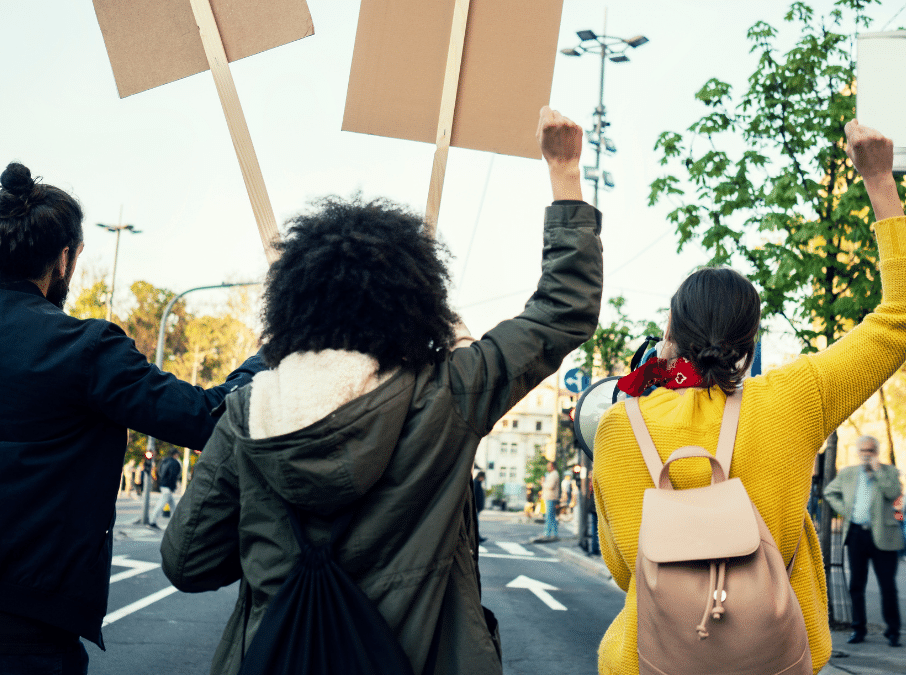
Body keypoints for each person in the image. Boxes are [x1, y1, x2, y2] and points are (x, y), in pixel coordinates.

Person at [160, 107, 602, 675]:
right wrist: (563, 171)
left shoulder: (248, 414)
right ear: (414, 304)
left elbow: (187, 562)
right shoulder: (447, 396)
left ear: (292, 308)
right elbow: (560, 312)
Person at [0, 139, 267, 674]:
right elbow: (209, 419)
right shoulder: (87, 352)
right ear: (64, 258)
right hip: (24, 644)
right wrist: (272, 348)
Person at [591, 119, 906, 673]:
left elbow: (624, 564)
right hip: (771, 656)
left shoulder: (620, 425)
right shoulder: (795, 399)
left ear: (670, 335)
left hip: (647, 658)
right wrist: (879, 180)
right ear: (749, 342)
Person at [825, 436, 904, 646]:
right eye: (863, 450)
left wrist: (877, 471)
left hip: (883, 537)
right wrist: (846, 512)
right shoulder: (848, 473)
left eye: (870, 450)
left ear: (876, 451)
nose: (866, 453)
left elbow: (894, 493)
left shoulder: (889, 471)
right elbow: (829, 492)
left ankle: (893, 631)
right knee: (856, 585)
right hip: (857, 535)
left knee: (888, 586)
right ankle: (858, 628)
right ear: (858, 451)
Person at [149, 449, 183, 527]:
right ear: (175, 454)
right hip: (168, 487)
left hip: (163, 485)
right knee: (161, 504)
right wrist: (172, 486)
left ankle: (176, 523)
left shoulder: (164, 461)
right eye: (177, 454)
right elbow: (173, 475)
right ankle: (152, 521)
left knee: (173, 506)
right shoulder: (174, 463)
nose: (178, 456)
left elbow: (160, 472)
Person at [540, 461, 560, 540]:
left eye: (549, 466)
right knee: (551, 516)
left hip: (551, 497)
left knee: (549, 516)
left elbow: (551, 486)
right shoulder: (552, 474)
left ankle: (547, 533)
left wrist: (543, 483)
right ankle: (554, 533)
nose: (547, 467)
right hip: (549, 497)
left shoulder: (554, 474)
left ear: (553, 466)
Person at [473, 470, 488, 544]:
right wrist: (474, 506)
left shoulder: (477, 483)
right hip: (475, 508)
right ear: (481, 477)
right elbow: (474, 496)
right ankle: (477, 538)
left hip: (477, 508)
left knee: (475, 524)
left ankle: (477, 538)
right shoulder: (476, 483)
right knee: (475, 524)